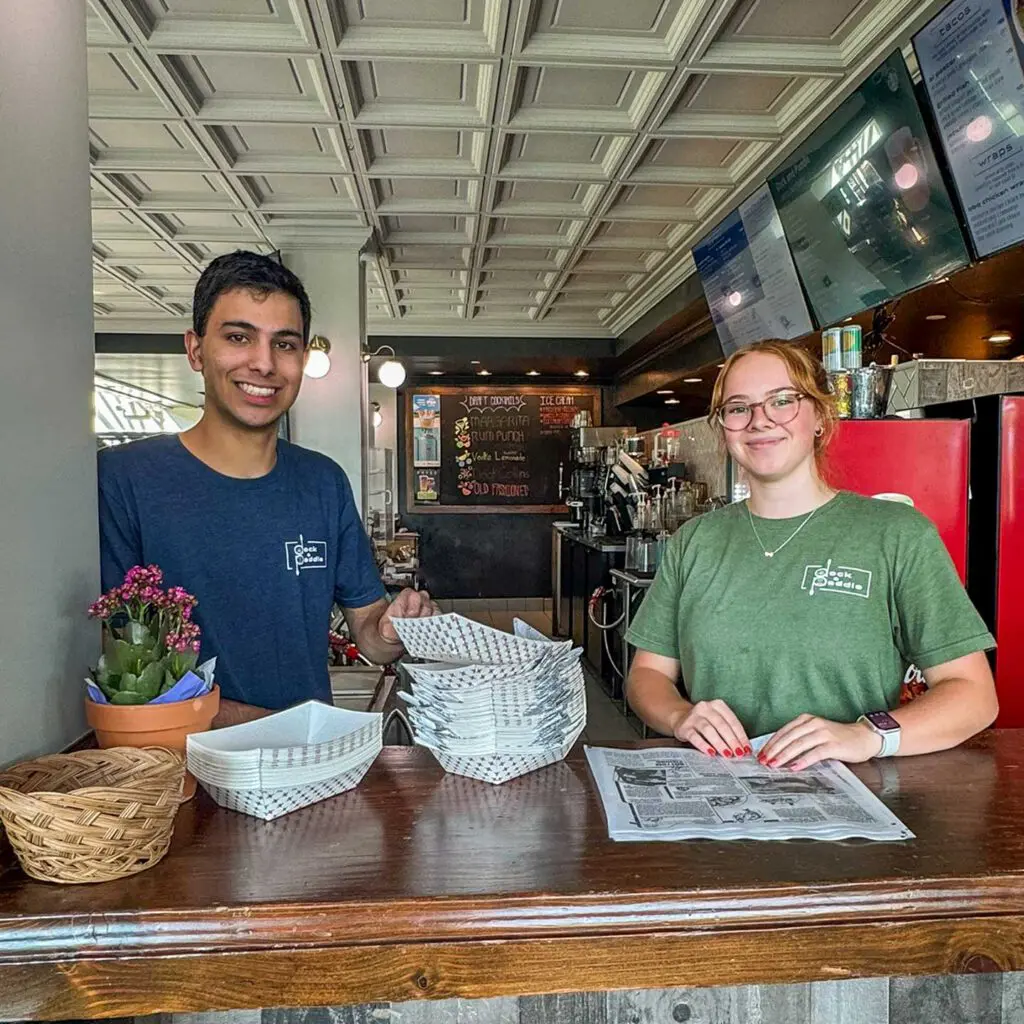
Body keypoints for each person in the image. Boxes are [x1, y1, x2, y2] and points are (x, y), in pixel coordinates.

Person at [98, 250, 437, 727]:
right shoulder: (122, 479)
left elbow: (367, 627)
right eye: (238, 337)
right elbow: (116, 673)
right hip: (176, 765)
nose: (264, 363)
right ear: (195, 350)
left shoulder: (323, 481)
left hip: (310, 760)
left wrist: (391, 630)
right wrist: (275, 728)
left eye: (285, 344)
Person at [625, 339, 997, 771]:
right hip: (722, 791)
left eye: (782, 401)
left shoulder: (897, 534)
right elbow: (647, 674)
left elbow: (973, 694)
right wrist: (680, 716)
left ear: (820, 415)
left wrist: (867, 734)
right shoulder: (694, 541)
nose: (759, 421)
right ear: (724, 427)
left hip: (856, 794)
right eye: (738, 408)